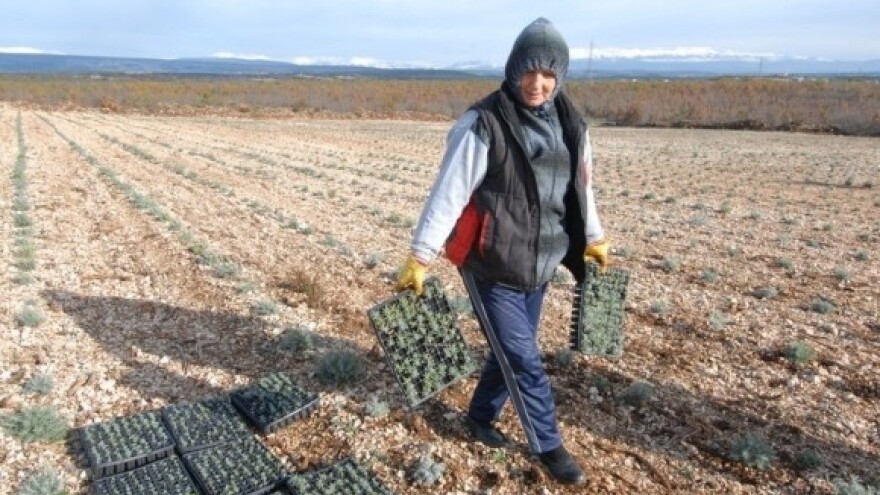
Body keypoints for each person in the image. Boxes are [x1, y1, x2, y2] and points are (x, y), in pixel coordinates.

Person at [396, 17, 610, 486]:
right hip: (491, 260)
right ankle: (548, 445)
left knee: (510, 351)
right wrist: (420, 254)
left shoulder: (571, 123)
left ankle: (478, 417)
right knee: (524, 359)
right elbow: (448, 193)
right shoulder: (483, 122)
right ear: (513, 71)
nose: (537, 83)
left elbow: (583, 188)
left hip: (540, 262)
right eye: (528, 72)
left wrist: (592, 237)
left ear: (561, 76)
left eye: (548, 74)